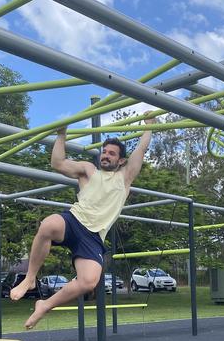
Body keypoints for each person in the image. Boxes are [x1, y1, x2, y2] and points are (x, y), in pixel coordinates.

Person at [9, 113, 156, 329]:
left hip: (94, 236)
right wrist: (61, 134)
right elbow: (57, 163)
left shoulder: (125, 178)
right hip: (75, 221)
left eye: (111, 153)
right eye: (104, 152)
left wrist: (149, 126)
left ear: (121, 160)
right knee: (48, 225)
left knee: (88, 282)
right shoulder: (88, 170)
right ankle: (30, 277)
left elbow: (140, 150)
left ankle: (45, 306)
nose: (105, 156)